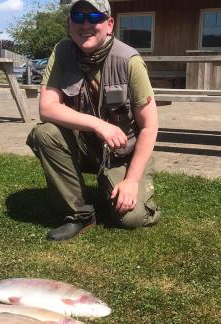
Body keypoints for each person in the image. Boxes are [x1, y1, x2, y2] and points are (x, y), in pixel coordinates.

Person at [26, 0, 160, 241]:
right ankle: (78, 214)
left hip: (123, 152)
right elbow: (47, 108)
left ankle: (125, 189)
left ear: (109, 25)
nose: (86, 24)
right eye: (78, 17)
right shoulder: (62, 51)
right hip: (87, 145)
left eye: (95, 17)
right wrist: (98, 124)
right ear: (69, 24)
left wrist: (131, 180)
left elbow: (150, 126)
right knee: (45, 133)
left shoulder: (129, 60)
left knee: (131, 218)